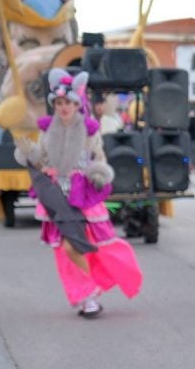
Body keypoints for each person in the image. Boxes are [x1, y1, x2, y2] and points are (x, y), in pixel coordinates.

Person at [14, 69, 142, 317]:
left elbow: (99, 159)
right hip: (56, 195)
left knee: (83, 246)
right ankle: (87, 296)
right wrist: (28, 153)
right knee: (66, 249)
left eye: (68, 103)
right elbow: (40, 159)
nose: (63, 107)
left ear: (76, 104)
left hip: (82, 194)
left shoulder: (89, 130)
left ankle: (92, 290)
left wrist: (96, 174)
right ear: (54, 105)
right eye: (59, 103)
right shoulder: (47, 129)